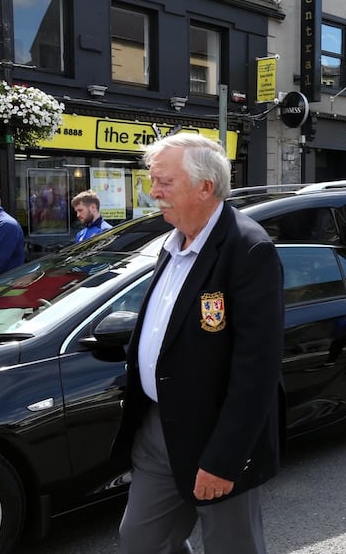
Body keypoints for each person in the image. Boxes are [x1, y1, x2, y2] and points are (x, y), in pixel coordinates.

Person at [115, 134, 284, 554]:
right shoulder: (170, 245)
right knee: (140, 542)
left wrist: (224, 459)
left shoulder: (248, 248)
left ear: (205, 187)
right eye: (152, 180)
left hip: (217, 433)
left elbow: (257, 370)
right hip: (158, 428)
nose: (153, 192)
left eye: (164, 182)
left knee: (232, 546)